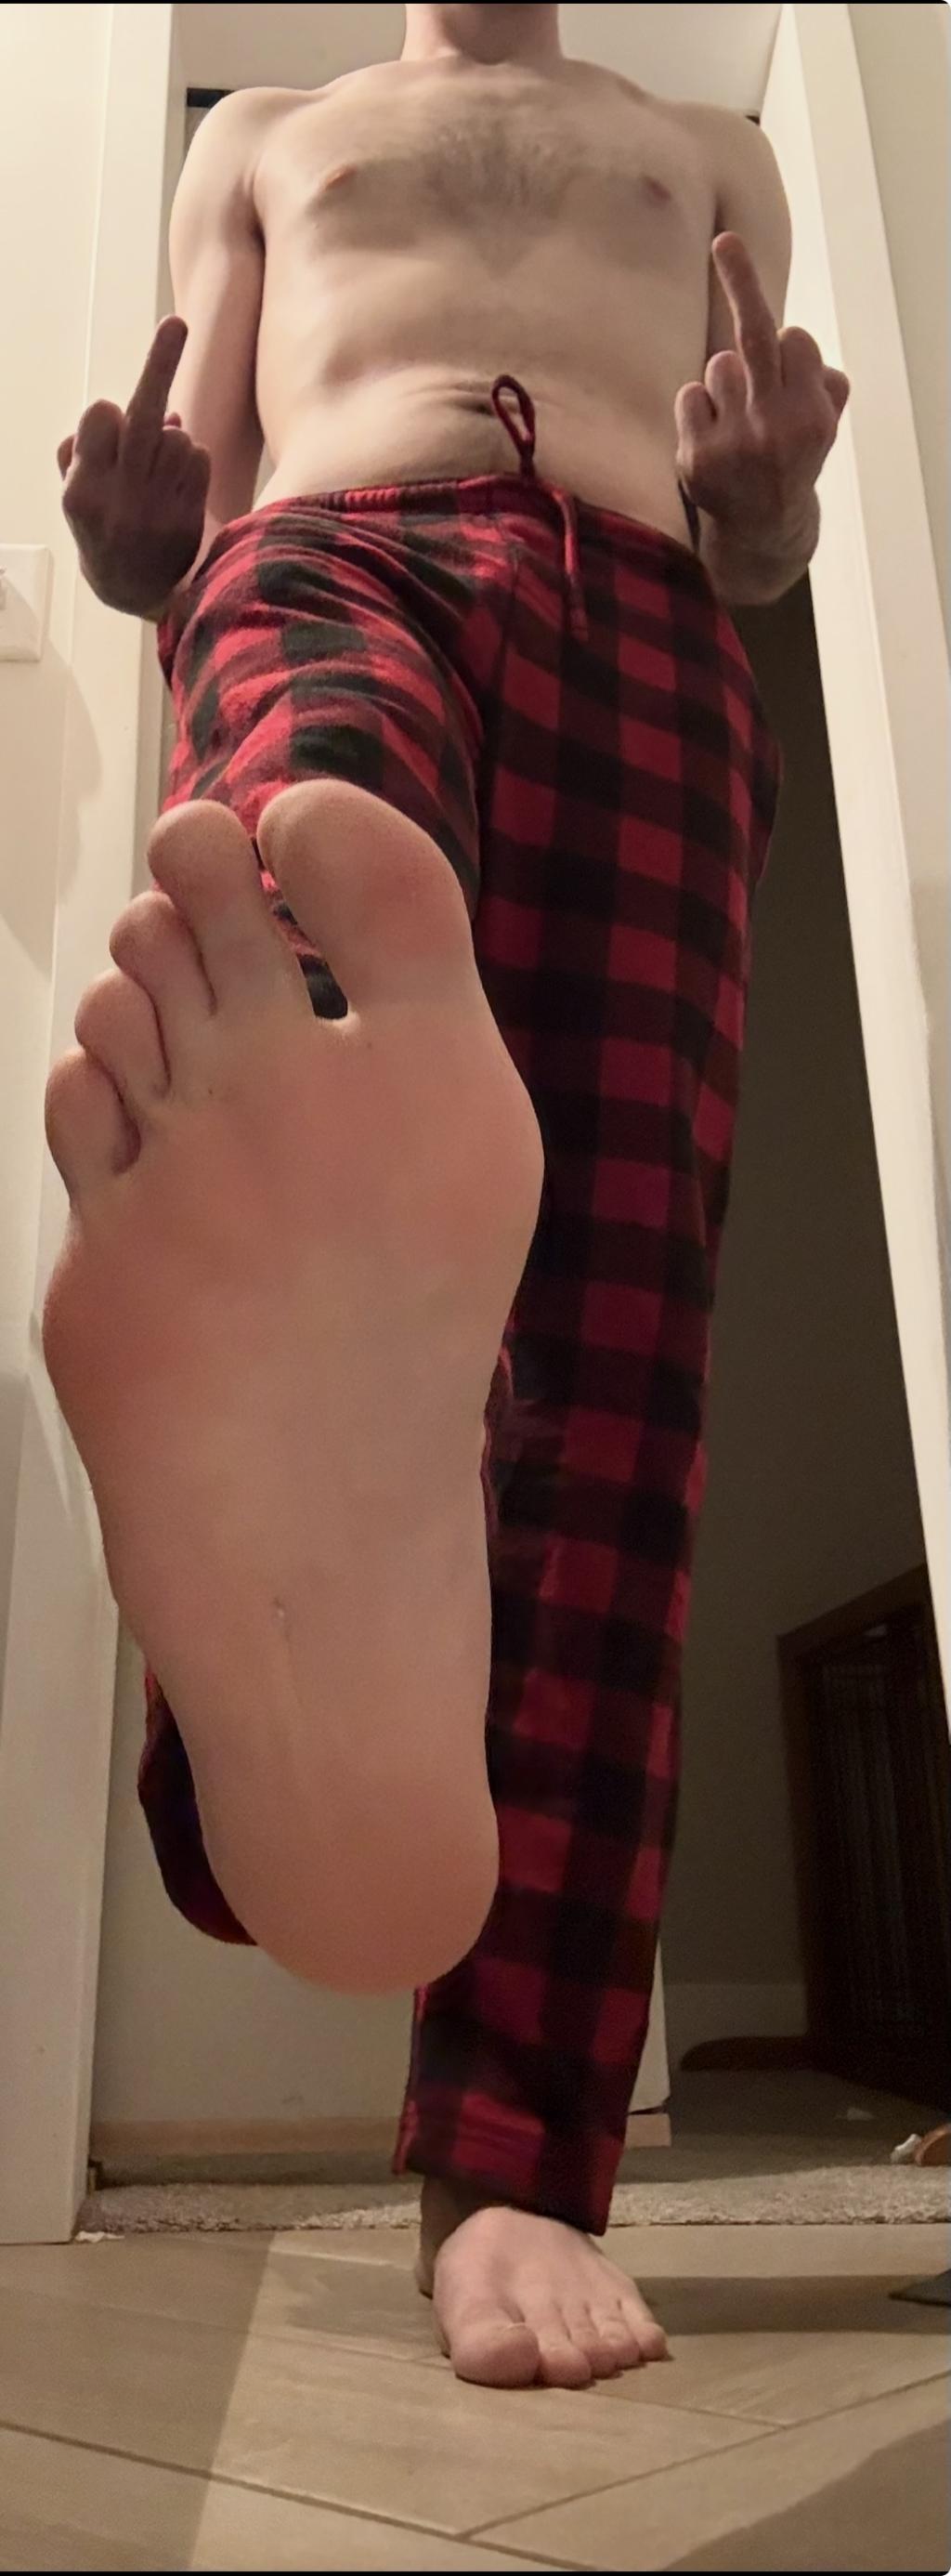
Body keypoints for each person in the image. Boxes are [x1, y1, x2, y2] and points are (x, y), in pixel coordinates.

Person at [46, 2, 849, 2388]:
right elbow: (190, 507)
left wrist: (771, 502)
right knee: (308, 885)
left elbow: (759, 540)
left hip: (653, 629)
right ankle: (305, 1559)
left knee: (609, 1366)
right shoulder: (270, 142)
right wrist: (129, 552)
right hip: (330, 563)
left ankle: (506, 2162)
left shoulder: (704, 151)